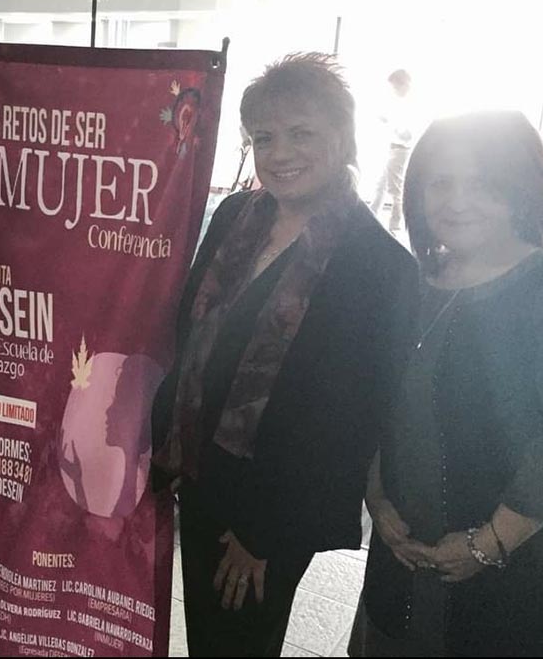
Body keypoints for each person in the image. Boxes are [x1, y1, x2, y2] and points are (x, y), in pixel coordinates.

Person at [150, 52, 419, 657]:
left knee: (239, 644)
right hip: (201, 474)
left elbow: (348, 423)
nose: (280, 153)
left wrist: (265, 534)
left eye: (302, 134)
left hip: (271, 507)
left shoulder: (378, 265)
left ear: (342, 138)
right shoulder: (235, 217)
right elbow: (193, 340)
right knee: (207, 639)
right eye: (264, 138)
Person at [350, 111, 543, 657]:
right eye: (441, 183)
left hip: (508, 568)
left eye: (483, 184)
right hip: (400, 550)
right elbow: (380, 403)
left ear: (520, 187)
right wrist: (377, 497)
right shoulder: (416, 282)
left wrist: (493, 541)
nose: (458, 201)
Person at [370, 69, 415, 232]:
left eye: (395, 86)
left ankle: (395, 224)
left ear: (403, 85)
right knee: (380, 184)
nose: (393, 90)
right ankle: (372, 216)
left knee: (395, 188)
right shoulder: (396, 103)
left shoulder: (411, 105)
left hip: (400, 149)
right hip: (391, 147)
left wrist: (390, 123)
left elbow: (408, 134)